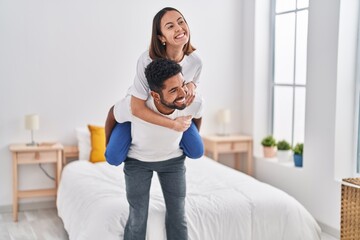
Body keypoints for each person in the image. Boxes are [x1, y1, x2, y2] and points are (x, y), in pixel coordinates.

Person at [105, 7, 204, 166]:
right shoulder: (146, 61)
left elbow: (194, 83)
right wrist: (173, 125)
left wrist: (192, 85)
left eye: (181, 22)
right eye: (170, 26)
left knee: (196, 151)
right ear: (161, 37)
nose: (179, 28)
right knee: (113, 157)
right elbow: (137, 108)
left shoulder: (195, 62)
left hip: (174, 110)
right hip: (142, 110)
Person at [122, 58, 203, 240]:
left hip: (173, 162)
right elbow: (113, 114)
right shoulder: (133, 107)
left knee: (178, 216)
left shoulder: (193, 102)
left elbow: (198, 114)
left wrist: (191, 137)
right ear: (156, 95)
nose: (183, 93)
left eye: (182, 84)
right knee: (137, 218)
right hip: (138, 162)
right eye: (173, 90)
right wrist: (110, 146)